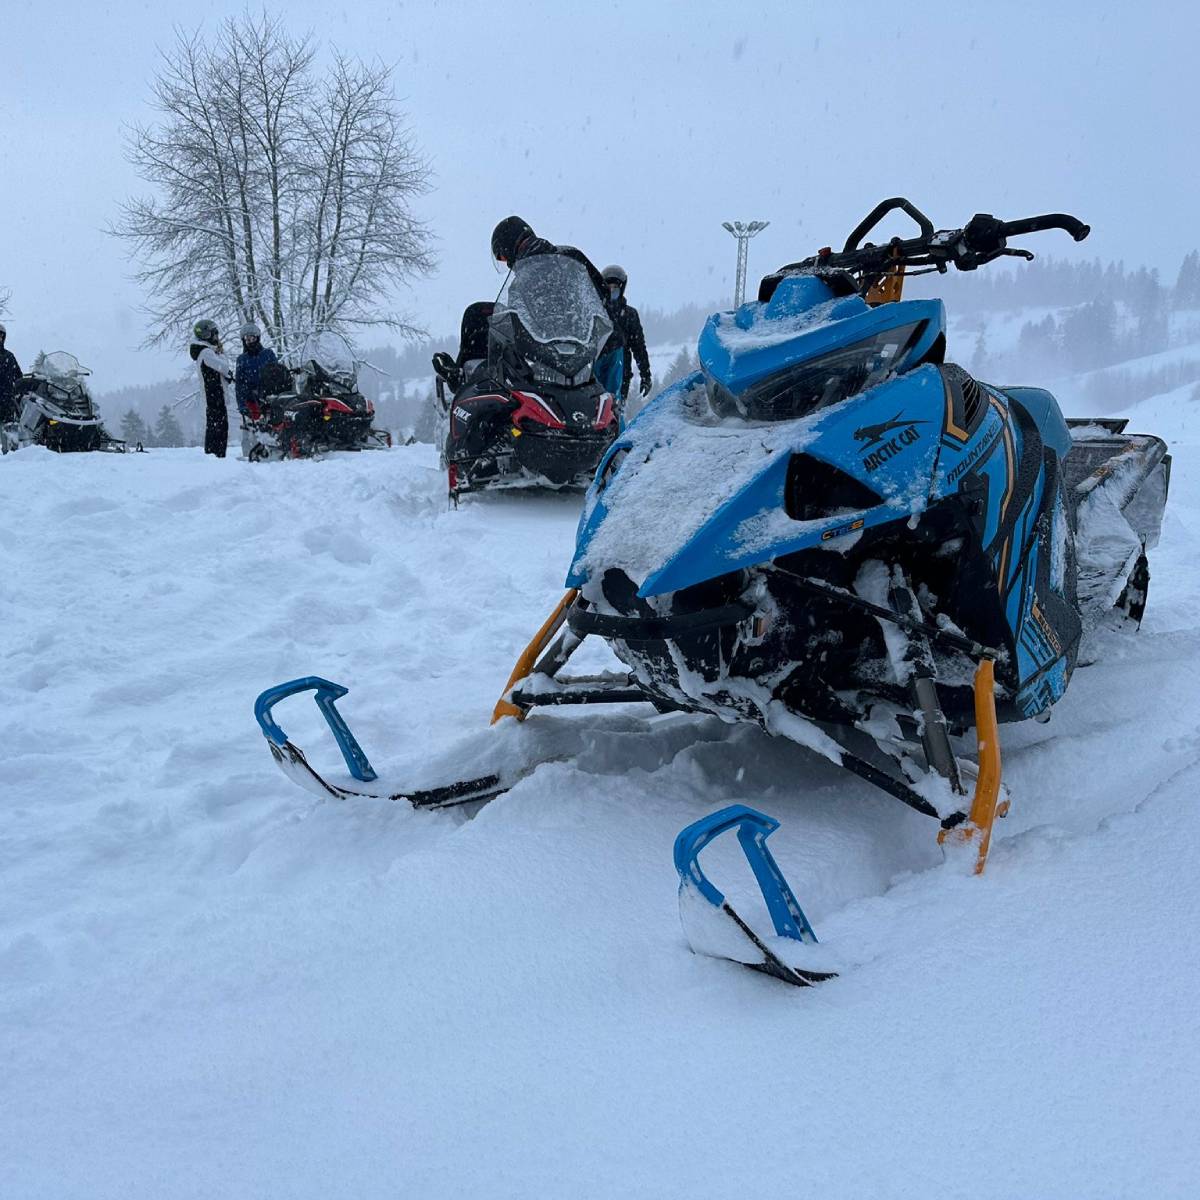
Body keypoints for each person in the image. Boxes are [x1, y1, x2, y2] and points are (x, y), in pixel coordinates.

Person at [600, 265, 653, 403]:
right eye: (608, 288)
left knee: (616, 409)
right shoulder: (596, 312)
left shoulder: (630, 315)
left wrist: (645, 375)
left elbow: (639, 347)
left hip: (621, 373)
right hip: (595, 371)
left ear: (621, 289)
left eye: (615, 289)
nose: (612, 292)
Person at [189, 319, 234, 457]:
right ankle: (216, 456)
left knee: (216, 427)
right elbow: (223, 367)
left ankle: (215, 455)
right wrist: (221, 356)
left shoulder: (206, 352)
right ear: (206, 335)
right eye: (214, 334)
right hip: (214, 395)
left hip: (213, 394)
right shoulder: (206, 353)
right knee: (218, 428)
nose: (216, 337)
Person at [234, 322, 278, 422]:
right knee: (255, 426)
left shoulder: (268, 354)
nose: (250, 341)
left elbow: (278, 373)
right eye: (247, 339)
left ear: (257, 338)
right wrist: (242, 406)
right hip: (252, 399)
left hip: (270, 396)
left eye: (252, 338)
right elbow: (239, 384)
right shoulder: (242, 359)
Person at [0, 323, 24, 425]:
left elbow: (19, 376)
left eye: (1, 335)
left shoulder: (9, 356)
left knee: (8, 429)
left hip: (6, 399)